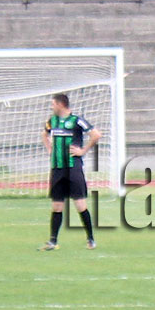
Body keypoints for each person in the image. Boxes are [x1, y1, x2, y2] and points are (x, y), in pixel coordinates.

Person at [40, 93, 101, 251]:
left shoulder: (77, 120)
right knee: (57, 206)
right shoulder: (52, 121)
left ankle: (90, 239)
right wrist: (49, 149)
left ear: (60, 104)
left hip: (73, 168)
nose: (51, 107)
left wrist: (83, 151)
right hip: (57, 168)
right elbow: (44, 134)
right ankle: (52, 241)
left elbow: (96, 134)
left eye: (53, 104)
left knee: (80, 204)